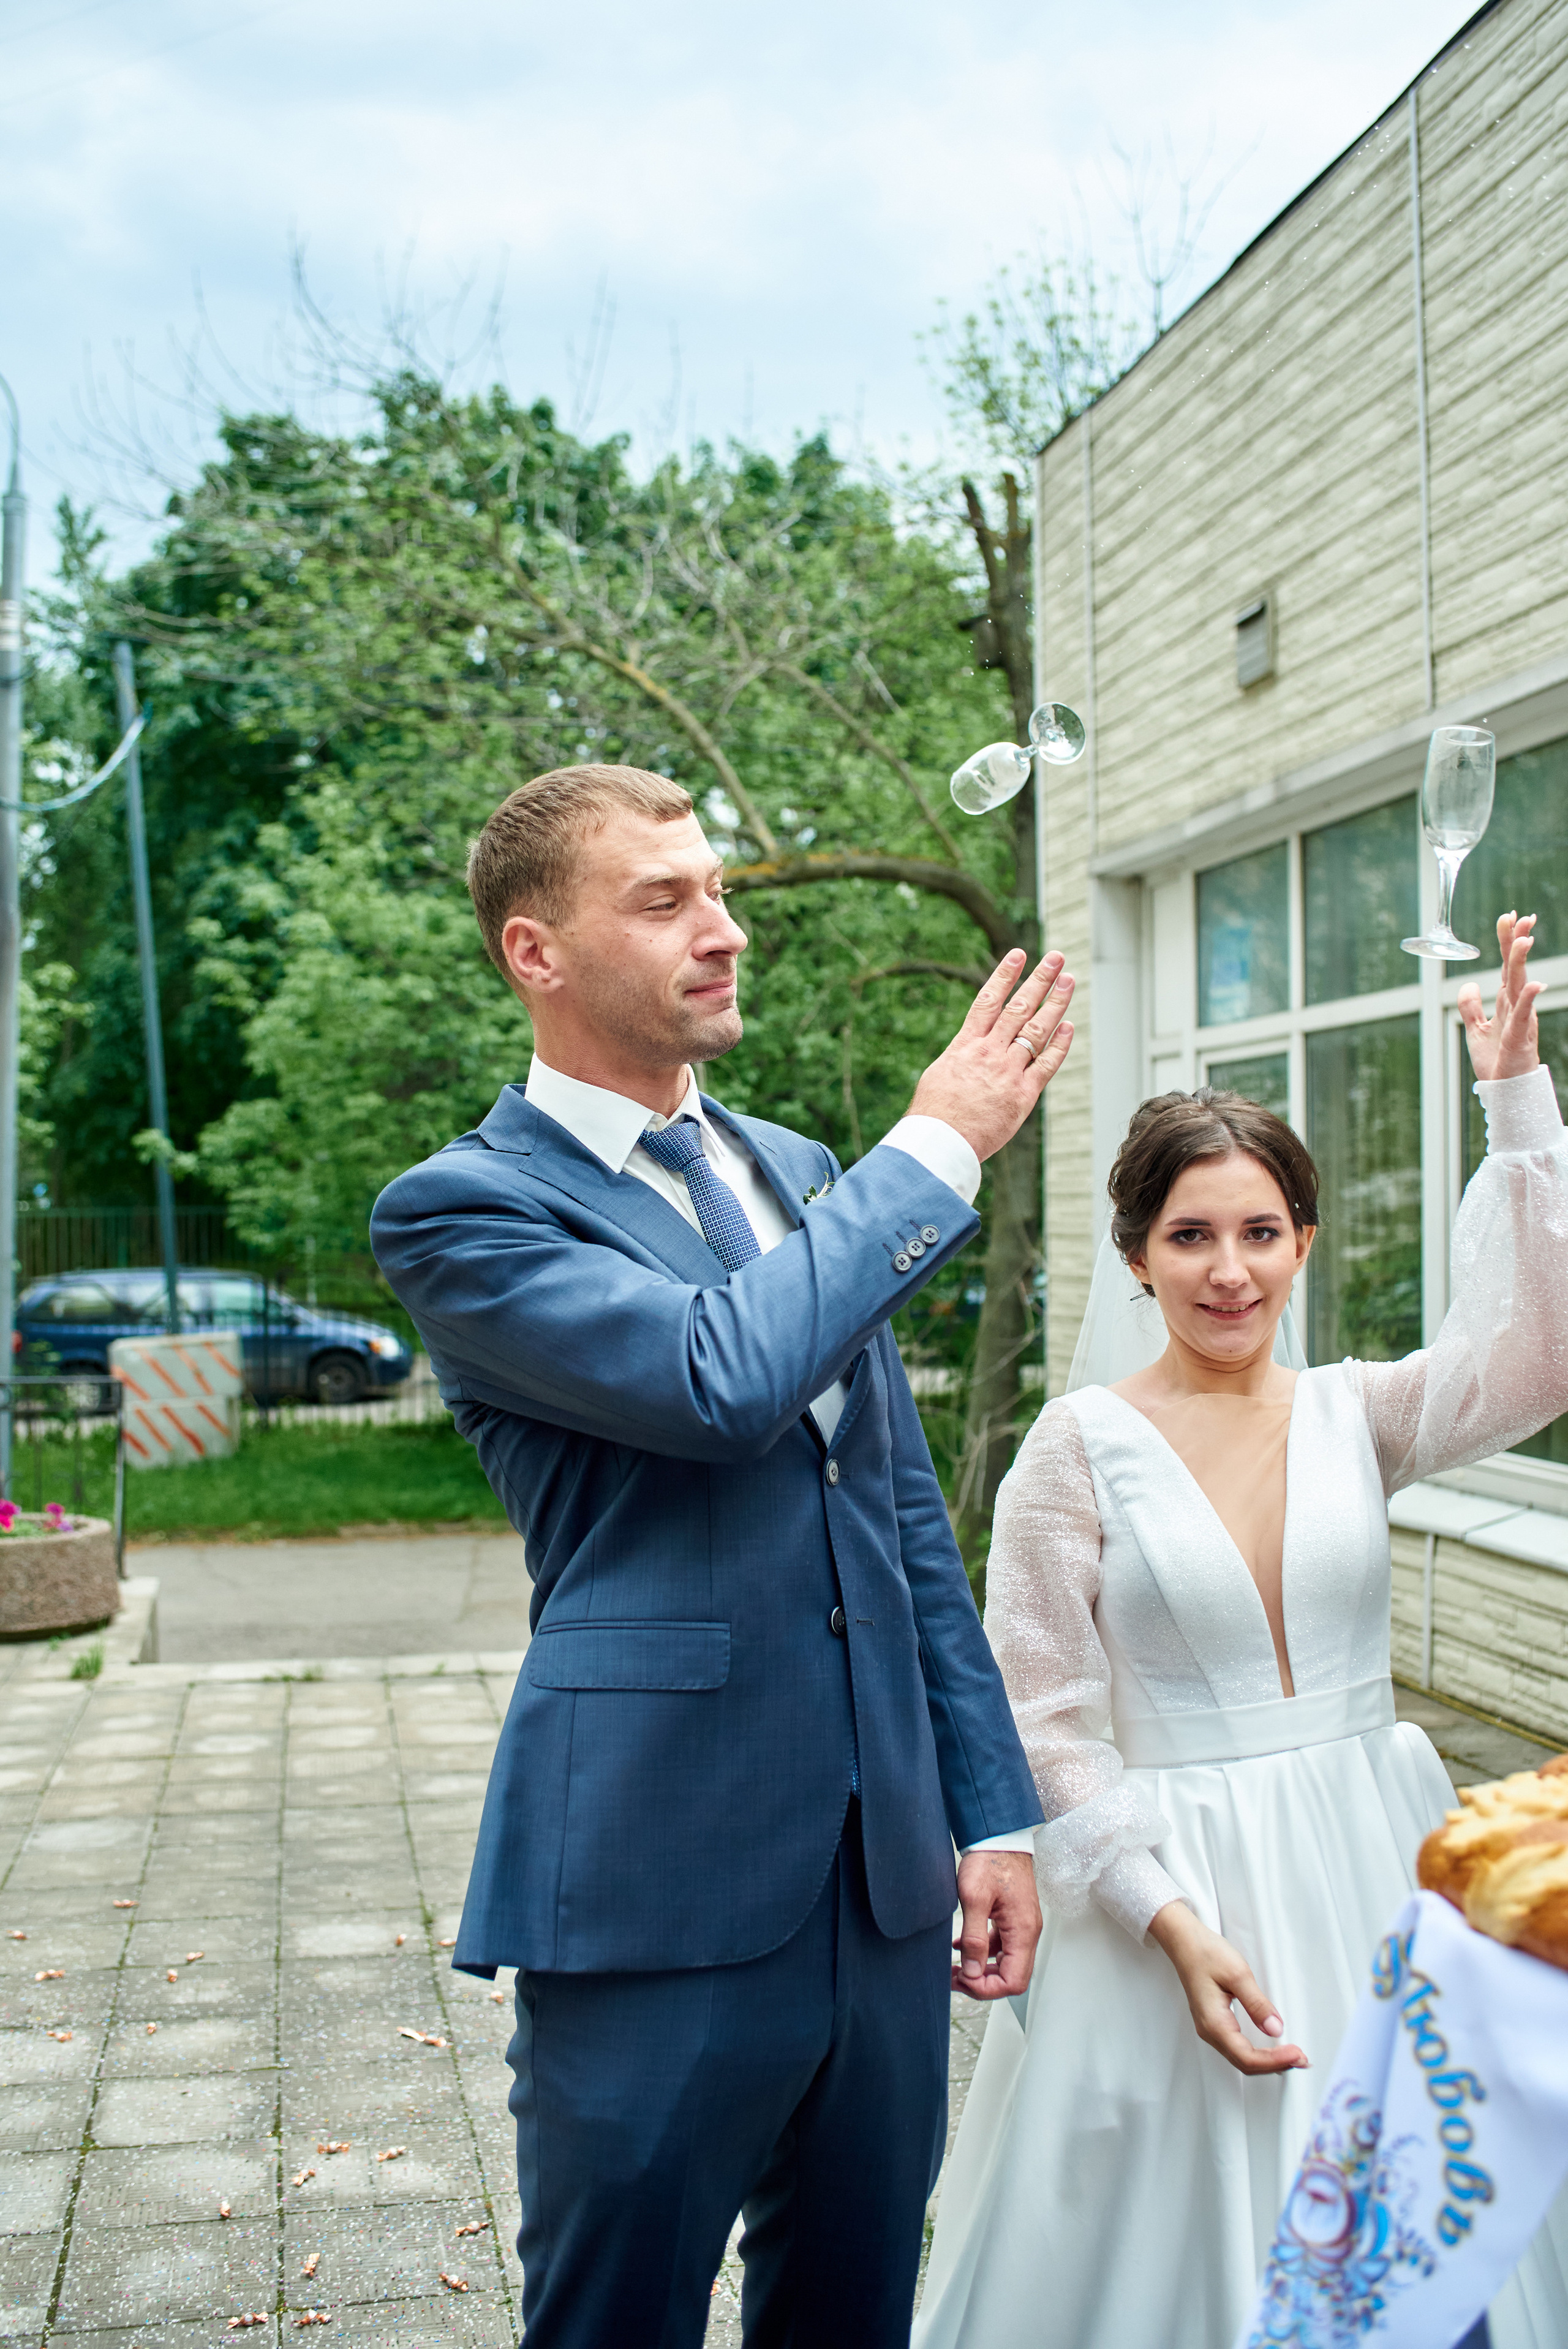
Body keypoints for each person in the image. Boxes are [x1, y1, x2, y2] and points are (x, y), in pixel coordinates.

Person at [369, 762, 1073, 2349]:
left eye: (723, 890)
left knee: (851, 2316)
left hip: (880, 1884)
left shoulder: (807, 1176)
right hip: (653, 1885)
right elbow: (716, 1379)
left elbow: (898, 1519)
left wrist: (990, 1810)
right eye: (666, 899)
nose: (723, 930)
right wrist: (942, 1146)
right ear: (534, 953)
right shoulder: (464, 1213)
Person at [914, 912, 1568, 2349]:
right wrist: (1162, 1919)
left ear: (1301, 1242)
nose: (1228, 1271)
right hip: (1169, 1895)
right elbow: (1043, 1717)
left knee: (1411, 2237)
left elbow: (1541, 1349)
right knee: (1197, 2256)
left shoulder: (1361, 1412)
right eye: (1189, 1236)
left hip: (1369, 1858)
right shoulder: (1074, 1448)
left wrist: (1513, 1094)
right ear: (1135, 1257)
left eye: (1258, 1232)